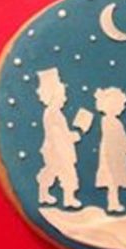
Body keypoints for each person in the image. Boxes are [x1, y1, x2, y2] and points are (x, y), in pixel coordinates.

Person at [36, 67, 82, 208]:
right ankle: (67, 198)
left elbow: (60, 133)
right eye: (63, 96)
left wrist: (70, 136)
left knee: (54, 171)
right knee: (65, 173)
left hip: (57, 149)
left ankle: (47, 194)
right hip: (57, 150)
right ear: (54, 96)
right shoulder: (52, 114)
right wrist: (71, 137)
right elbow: (56, 134)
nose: (65, 99)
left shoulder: (55, 113)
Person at [94, 87, 126, 213]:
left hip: (114, 153)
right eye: (121, 105)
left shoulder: (112, 122)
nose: (123, 108)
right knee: (113, 180)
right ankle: (113, 203)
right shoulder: (111, 122)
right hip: (112, 155)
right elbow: (117, 140)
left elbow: (120, 140)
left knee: (114, 181)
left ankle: (114, 202)